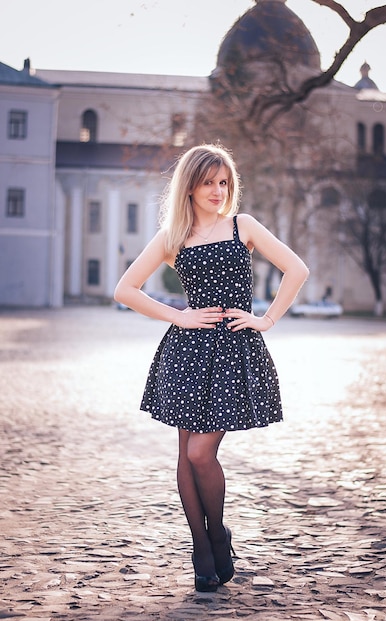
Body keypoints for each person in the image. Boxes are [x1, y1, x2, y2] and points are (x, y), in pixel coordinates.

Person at [114, 144, 309, 593]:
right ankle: (202, 547)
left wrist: (266, 319)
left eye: (223, 182)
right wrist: (178, 314)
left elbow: (296, 269)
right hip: (185, 353)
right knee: (184, 453)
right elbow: (126, 288)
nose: (218, 191)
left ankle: (217, 533)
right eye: (208, 183)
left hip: (233, 351)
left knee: (201, 453)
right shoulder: (172, 237)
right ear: (190, 185)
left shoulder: (243, 226)